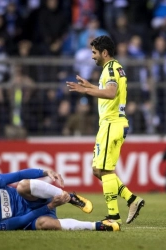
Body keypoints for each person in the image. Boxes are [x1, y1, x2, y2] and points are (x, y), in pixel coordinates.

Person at [67, 35, 145, 224]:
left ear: (104, 52)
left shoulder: (110, 68)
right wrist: (92, 86)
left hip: (112, 123)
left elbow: (110, 93)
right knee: (97, 170)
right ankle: (132, 200)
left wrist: (85, 91)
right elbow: (111, 90)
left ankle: (113, 216)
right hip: (111, 123)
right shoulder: (113, 68)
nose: (92, 56)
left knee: (104, 170)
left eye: (94, 52)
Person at [0, 168, 120, 231]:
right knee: (46, 224)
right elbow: (21, 221)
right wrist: (50, 206)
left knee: (22, 186)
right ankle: (99, 226)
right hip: (32, 218)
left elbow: (18, 175)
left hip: (31, 198)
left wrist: (45, 172)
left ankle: (69, 197)